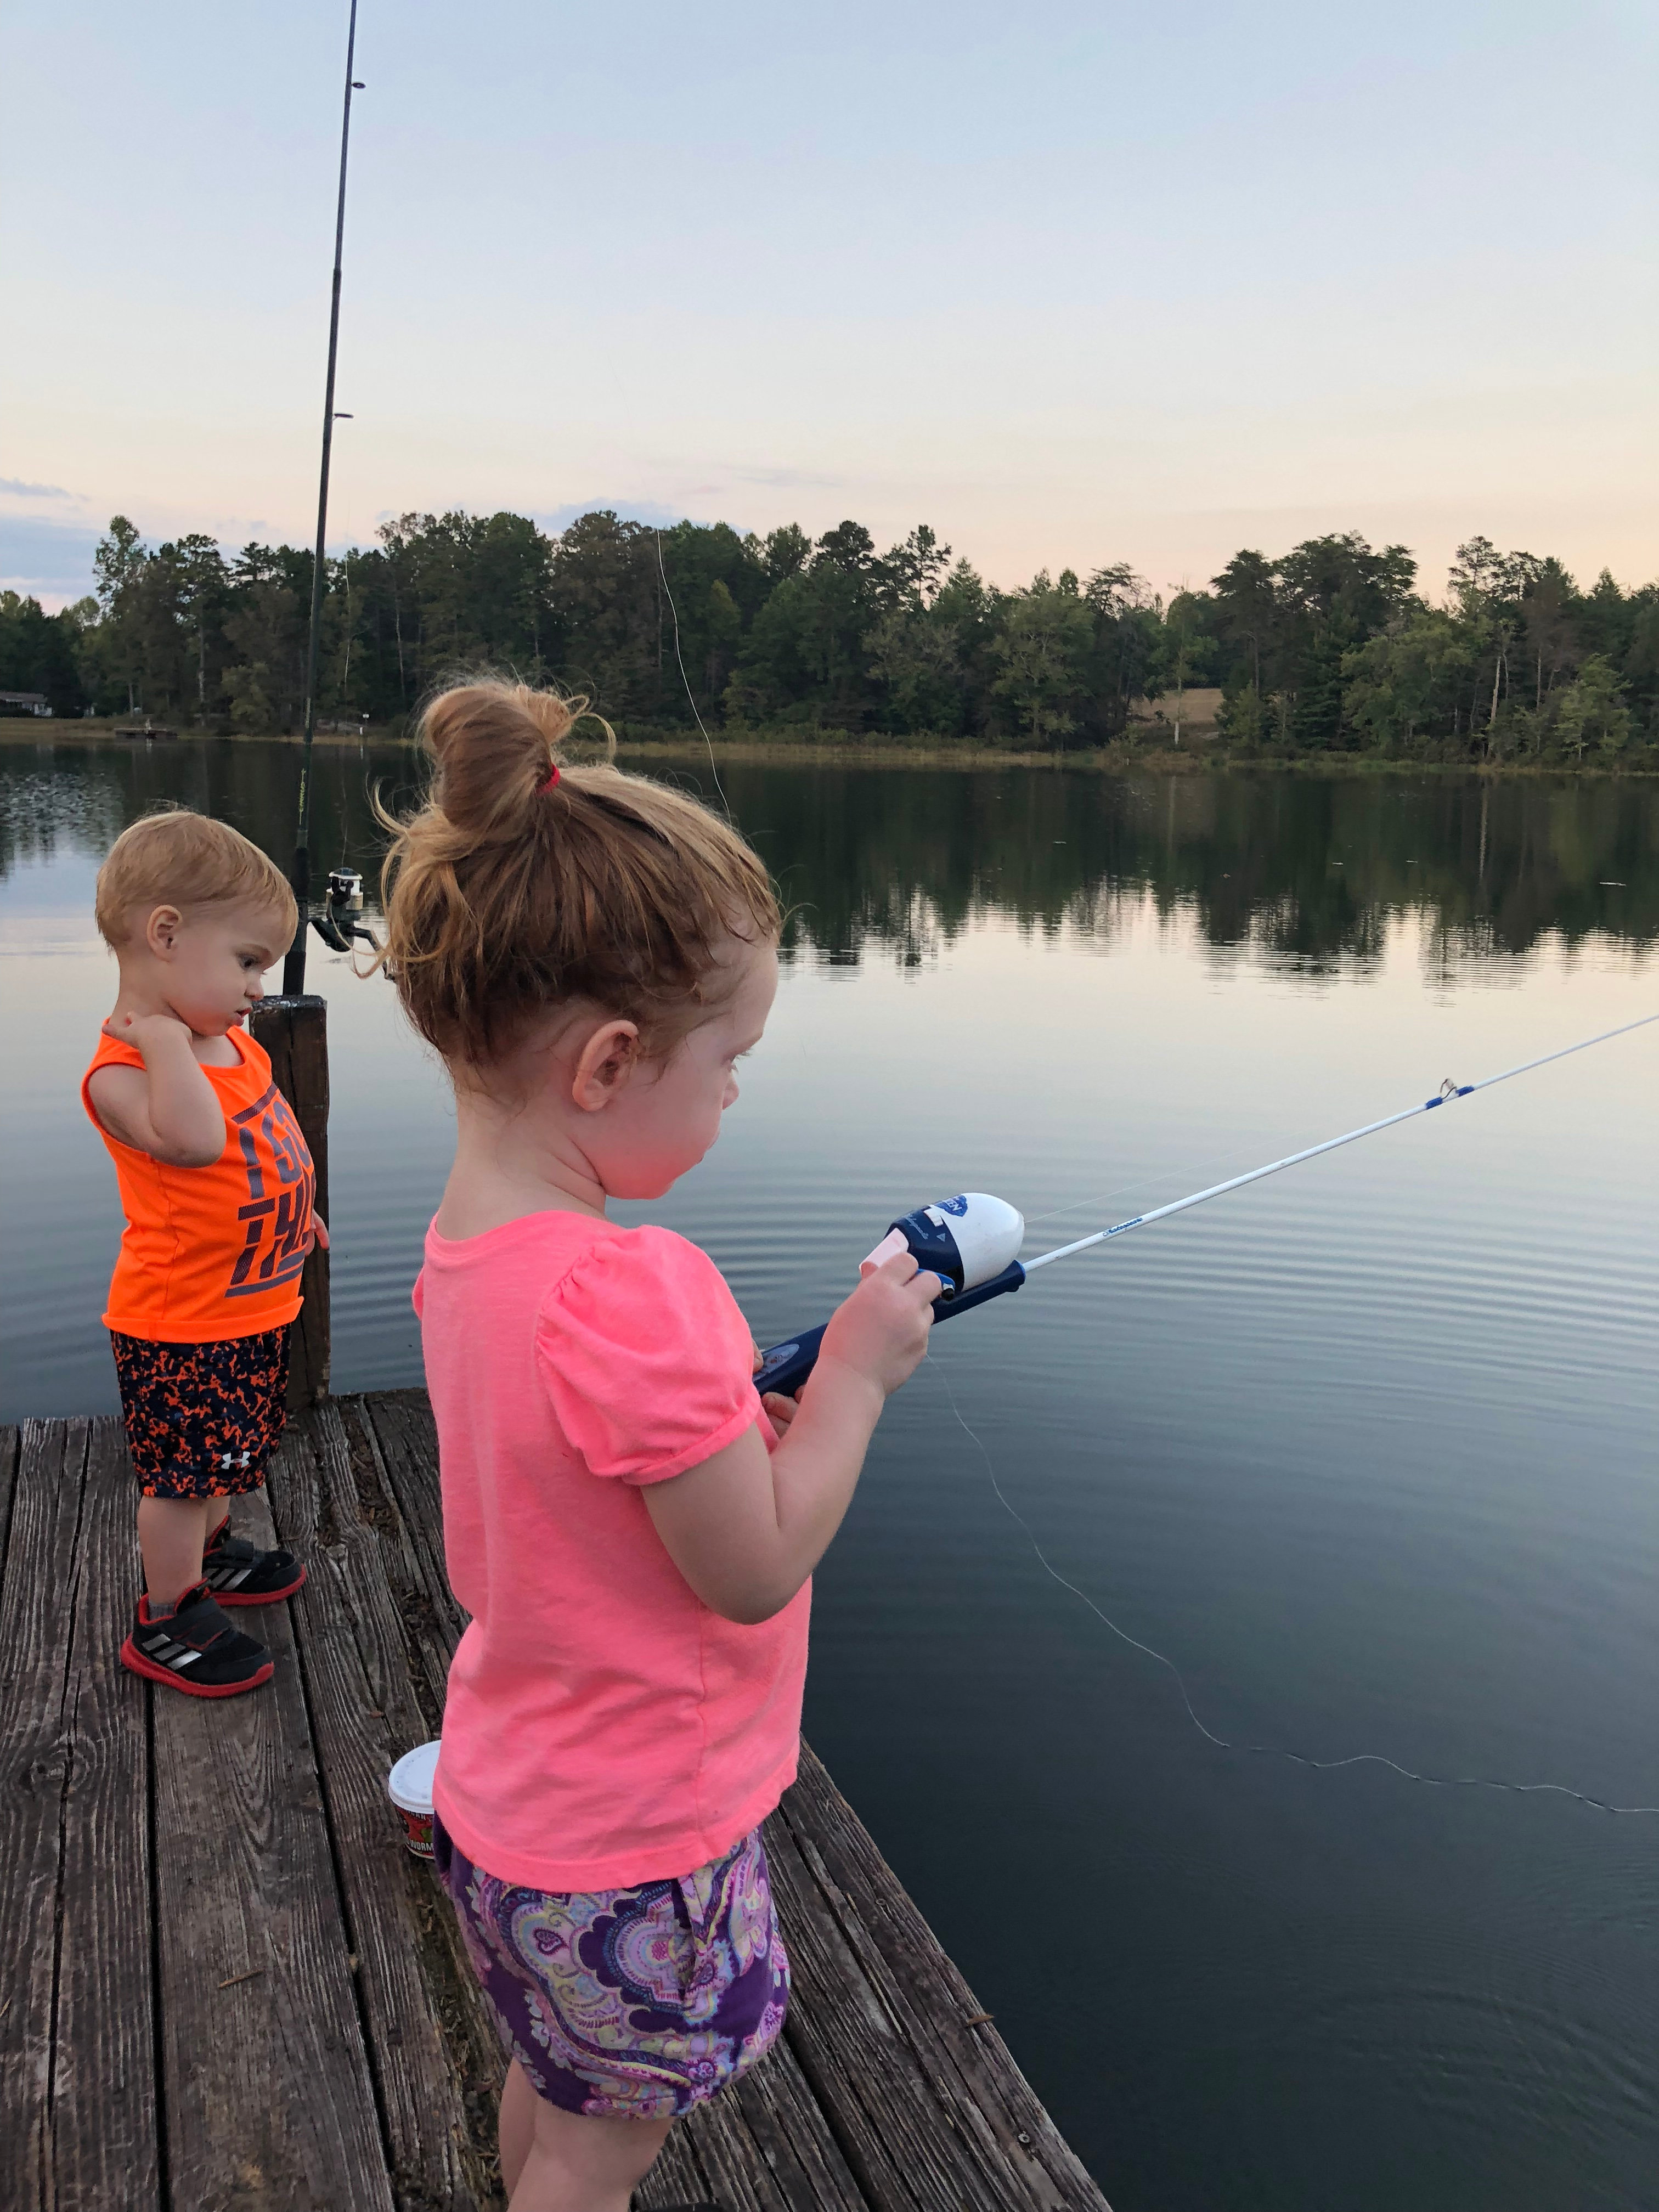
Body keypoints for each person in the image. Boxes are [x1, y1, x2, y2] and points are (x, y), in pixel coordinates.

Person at [380, 681, 939, 2212]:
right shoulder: (643, 1286)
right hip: (636, 1842)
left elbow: (592, 1476)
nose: (738, 1092)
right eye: (729, 1060)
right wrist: (859, 1387)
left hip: (513, 1801)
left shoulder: (468, 1250)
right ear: (610, 1066)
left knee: (554, 2092)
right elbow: (752, 1569)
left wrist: (727, 1428)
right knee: (602, 2152)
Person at [83, 809, 325, 1697]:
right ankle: (167, 1614)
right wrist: (156, 1039)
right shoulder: (125, 1070)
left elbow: (262, 1137)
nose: (259, 986)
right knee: (181, 1476)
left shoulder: (228, 1043)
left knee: (232, 1451)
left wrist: (298, 1213)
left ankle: (214, 1557)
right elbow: (191, 1143)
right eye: (247, 961)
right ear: (167, 934)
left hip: (255, 1304)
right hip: (180, 1323)